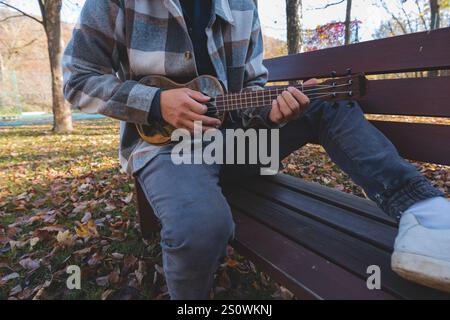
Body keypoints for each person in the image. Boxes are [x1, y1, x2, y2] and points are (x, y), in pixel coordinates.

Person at [63, 0, 450, 299]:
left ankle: (427, 214)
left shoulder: (242, 5)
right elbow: (77, 80)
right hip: (167, 150)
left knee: (322, 99)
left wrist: (277, 111)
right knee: (201, 229)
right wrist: (155, 103)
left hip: (238, 145)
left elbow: (250, 92)